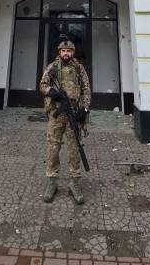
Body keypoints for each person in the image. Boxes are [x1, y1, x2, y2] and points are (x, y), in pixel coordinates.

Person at [40, 39, 91, 204]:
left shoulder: (79, 68)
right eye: (63, 51)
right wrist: (51, 92)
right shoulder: (52, 68)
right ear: (59, 52)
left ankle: (74, 183)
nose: (66, 53)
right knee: (53, 147)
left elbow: (86, 90)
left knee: (74, 148)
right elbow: (42, 85)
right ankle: (52, 182)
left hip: (74, 114)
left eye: (69, 51)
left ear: (73, 52)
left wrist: (84, 110)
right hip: (56, 114)